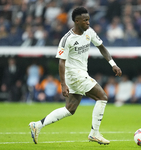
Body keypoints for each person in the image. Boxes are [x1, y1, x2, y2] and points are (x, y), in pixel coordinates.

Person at [29, 6, 122, 145]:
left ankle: (37, 125)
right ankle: (94, 133)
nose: (88, 23)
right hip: (74, 75)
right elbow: (61, 62)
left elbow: (102, 47)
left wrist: (113, 64)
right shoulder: (67, 39)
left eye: (89, 20)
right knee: (102, 97)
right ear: (77, 21)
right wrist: (63, 84)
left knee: (70, 109)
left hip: (81, 73)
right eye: (85, 20)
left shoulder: (89, 32)